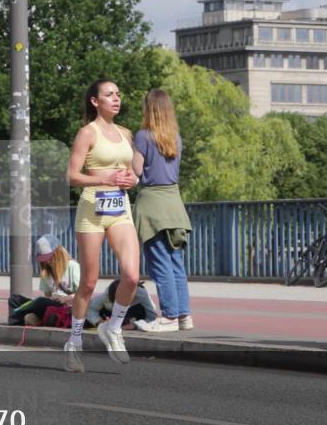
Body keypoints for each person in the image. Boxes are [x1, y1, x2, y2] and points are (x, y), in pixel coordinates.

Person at [64, 79, 139, 371]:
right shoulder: (87, 133)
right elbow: (72, 176)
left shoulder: (126, 134)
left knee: (131, 275)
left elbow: (131, 173)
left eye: (118, 94)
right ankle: (74, 342)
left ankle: (113, 328)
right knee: (88, 283)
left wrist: (132, 179)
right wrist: (103, 178)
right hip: (92, 210)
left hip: (120, 209)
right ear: (95, 101)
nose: (116, 99)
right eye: (109, 95)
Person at [132, 89, 194, 333]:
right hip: (174, 204)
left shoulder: (143, 137)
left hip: (152, 206)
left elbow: (137, 171)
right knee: (175, 262)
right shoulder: (175, 138)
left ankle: (168, 316)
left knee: (159, 263)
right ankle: (184, 316)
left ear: (149, 109)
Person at [11, 235, 80, 326]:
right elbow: (47, 295)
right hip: (52, 304)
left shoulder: (73, 266)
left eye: (48, 257)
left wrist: (66, 298)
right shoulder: (46, 271)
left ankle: (36, 318)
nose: (46, 261)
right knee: (14, 300)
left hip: (69, 305)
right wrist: (52, 298)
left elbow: (83, 294)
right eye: (43, 259)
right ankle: (40, 318)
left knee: (40, 302)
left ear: (58, 253)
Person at [87, 278, 159, 330]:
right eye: (117, 302)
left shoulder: (141, 294)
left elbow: (152, 317)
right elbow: (90, 309)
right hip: (111, 315)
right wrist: (100, 322)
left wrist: (135, 325)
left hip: (133, 315)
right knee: (87, 322)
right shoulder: (106, 295)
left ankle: (126, 321)